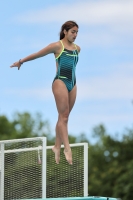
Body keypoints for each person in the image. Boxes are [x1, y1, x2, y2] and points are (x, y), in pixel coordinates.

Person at [10, 20, 81, 165]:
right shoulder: (57, 46)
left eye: (77, 32)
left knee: (64, 118)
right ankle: (66, 148)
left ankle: (56, 146)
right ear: (65, 31)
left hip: (72, 83)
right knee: (64, 117)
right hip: (60, 81)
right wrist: (21, 61)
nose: (75, 35)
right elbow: (37, 54)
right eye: (73, 32)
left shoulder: (77, 49)